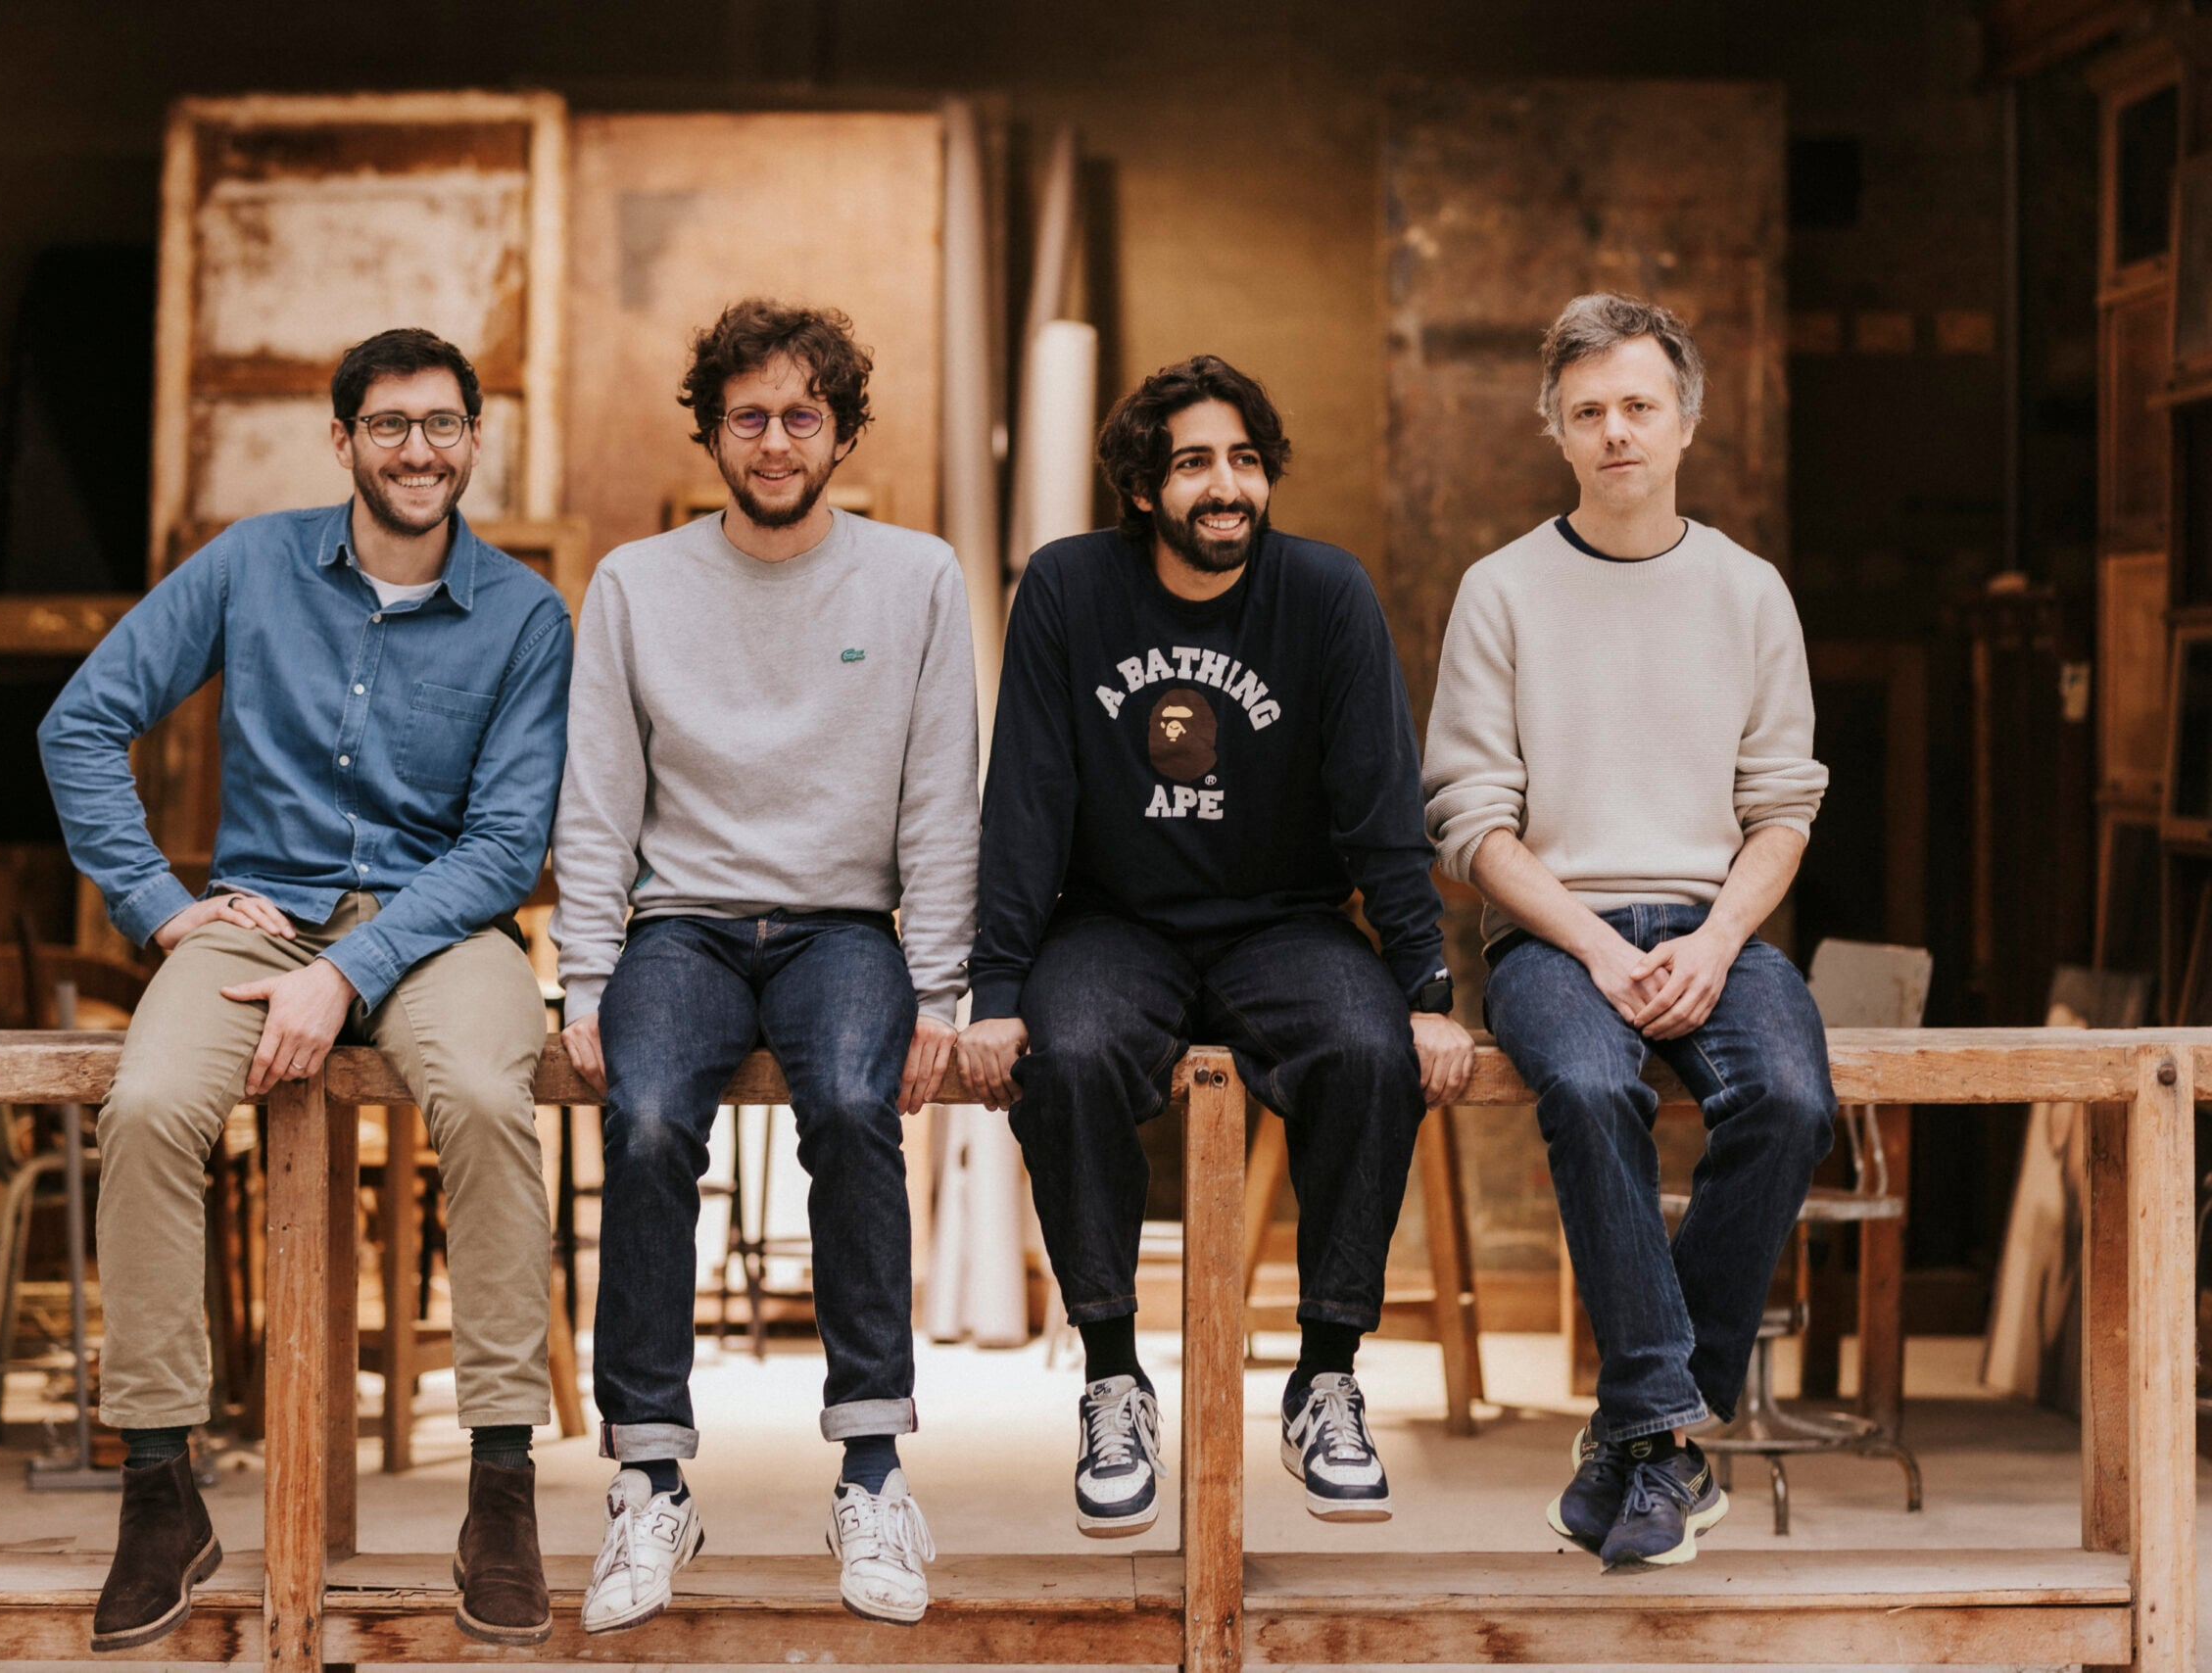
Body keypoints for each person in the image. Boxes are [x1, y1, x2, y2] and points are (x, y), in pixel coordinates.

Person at [39, 327, 570, 1649]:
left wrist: (351, 969)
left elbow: (507, 848)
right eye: (388, 426)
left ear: (474, 440)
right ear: (342, 443)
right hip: (254, 916)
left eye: (442, 425)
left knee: (492, 1108)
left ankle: (500, 1483)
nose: (418, 451)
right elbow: (81, 723)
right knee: (152, 1104)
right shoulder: (251, 564)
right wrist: (163, 913)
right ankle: (159, 1478)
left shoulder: (524, 615)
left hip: (441, 927)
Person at [956, 355, 1473, 1537]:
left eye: (1243, 460)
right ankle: (1110, 1378)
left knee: (1365, 1048)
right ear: (1145, 487)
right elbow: (1025, 796)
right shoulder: (1069, 588)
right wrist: (996, 990)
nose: (1224, 485)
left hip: (1284, 923)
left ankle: (1326, 1375)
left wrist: (1424, 986)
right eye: (1193, 462)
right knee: (1070, 1050)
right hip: (1111, 924)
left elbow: (1380, 805)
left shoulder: (1326, 594)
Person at [550, 299, 977, 1631]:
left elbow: (939, 801)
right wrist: (578, 976)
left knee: (854, 1110)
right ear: (713, 433)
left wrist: (945, 988)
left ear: (841, 432)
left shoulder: (916, 578)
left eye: (802, 415)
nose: (777, 441)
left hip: (844, 926)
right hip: (681, 922)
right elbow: (599, 796)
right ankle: (651, 1480)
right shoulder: (635, 581)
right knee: (649, 1115)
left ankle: (870, 1471)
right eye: (751, 417)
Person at [1422, 293, 1835, 1569]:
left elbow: (1783, 809)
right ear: (1556, 429)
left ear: (1686, 420)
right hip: (1554, 935)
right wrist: (1597, 949)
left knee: (1788, 1099)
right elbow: (1472, 824)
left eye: (1638, 406)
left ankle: (1641, 1429)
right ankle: (1664, 1428)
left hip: (1716, 923)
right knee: (1593, 1086)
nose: (1616, 432)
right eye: (1588, 411)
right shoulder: (1501, 591)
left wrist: (1714, 944)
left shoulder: (1748, 592)